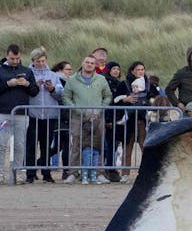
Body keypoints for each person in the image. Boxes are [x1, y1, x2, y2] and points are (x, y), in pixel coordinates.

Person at [62, 55, 111, 184]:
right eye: (87, 62)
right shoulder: (72, 80)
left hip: (97, 118)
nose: (89, 64)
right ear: (82, 63)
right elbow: (66, 97)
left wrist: (99, 109)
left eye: (92, 63)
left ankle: (99, 173)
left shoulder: (101, 79)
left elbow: (108, 96)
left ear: (95, 65)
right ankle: (73, 173)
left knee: (98, 145)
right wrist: (77, 109)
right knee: (76, 144)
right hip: (78, 118)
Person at [0, 44, 39, 183]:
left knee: (19, 144)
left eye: (17, 58)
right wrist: (7, 84)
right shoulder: (0, 70)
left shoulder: (27, 71)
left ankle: (18, 172)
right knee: (1, 144)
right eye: (12, 58)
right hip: (3, 113)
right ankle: (1, 174)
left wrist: (28, 84)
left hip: (22, 113)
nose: (15, 61)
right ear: (6, 55)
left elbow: (34, 91)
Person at [25, 49, 63, 183]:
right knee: (31, 145)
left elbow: (60, 93)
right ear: (32, 61)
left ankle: (47, 173)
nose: (41, 64)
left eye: (43, 61)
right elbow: (25, 92)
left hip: (49, 115)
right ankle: (30, 174)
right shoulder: (27, 73)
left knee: (46, 145)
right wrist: (34, 86)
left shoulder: (54, 75)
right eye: (37, 61)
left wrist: (52, 89)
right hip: (32, 114)